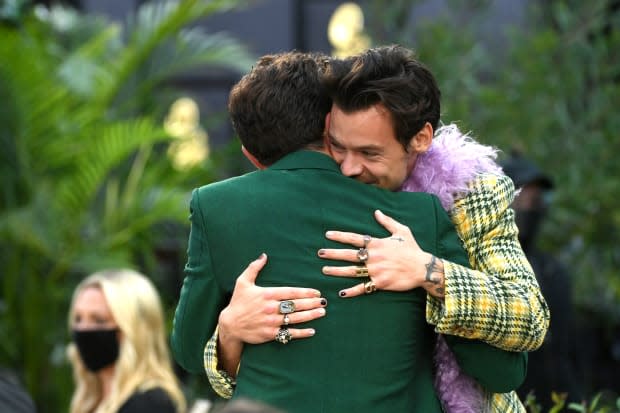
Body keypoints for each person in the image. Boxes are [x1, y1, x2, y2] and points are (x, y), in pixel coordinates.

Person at [171, 51, 526, 413]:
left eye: (368, 152)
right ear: (330, 127)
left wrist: (229, 332)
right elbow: (500, 371)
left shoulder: (215, 208)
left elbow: (188, 351)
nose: (352, 167)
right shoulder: (421, 215)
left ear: (251, 156)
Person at [501, 152, 583, 409]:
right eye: (523, 192)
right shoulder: (475, 267)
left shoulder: (553, 271)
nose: (531, 204)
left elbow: (565, 352)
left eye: (536, 197)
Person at [68, 269, 186, 413]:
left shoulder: (149, 405)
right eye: (78, 319)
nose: (83, 329)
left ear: (135, 329)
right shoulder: (92, 400)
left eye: (99, 320)